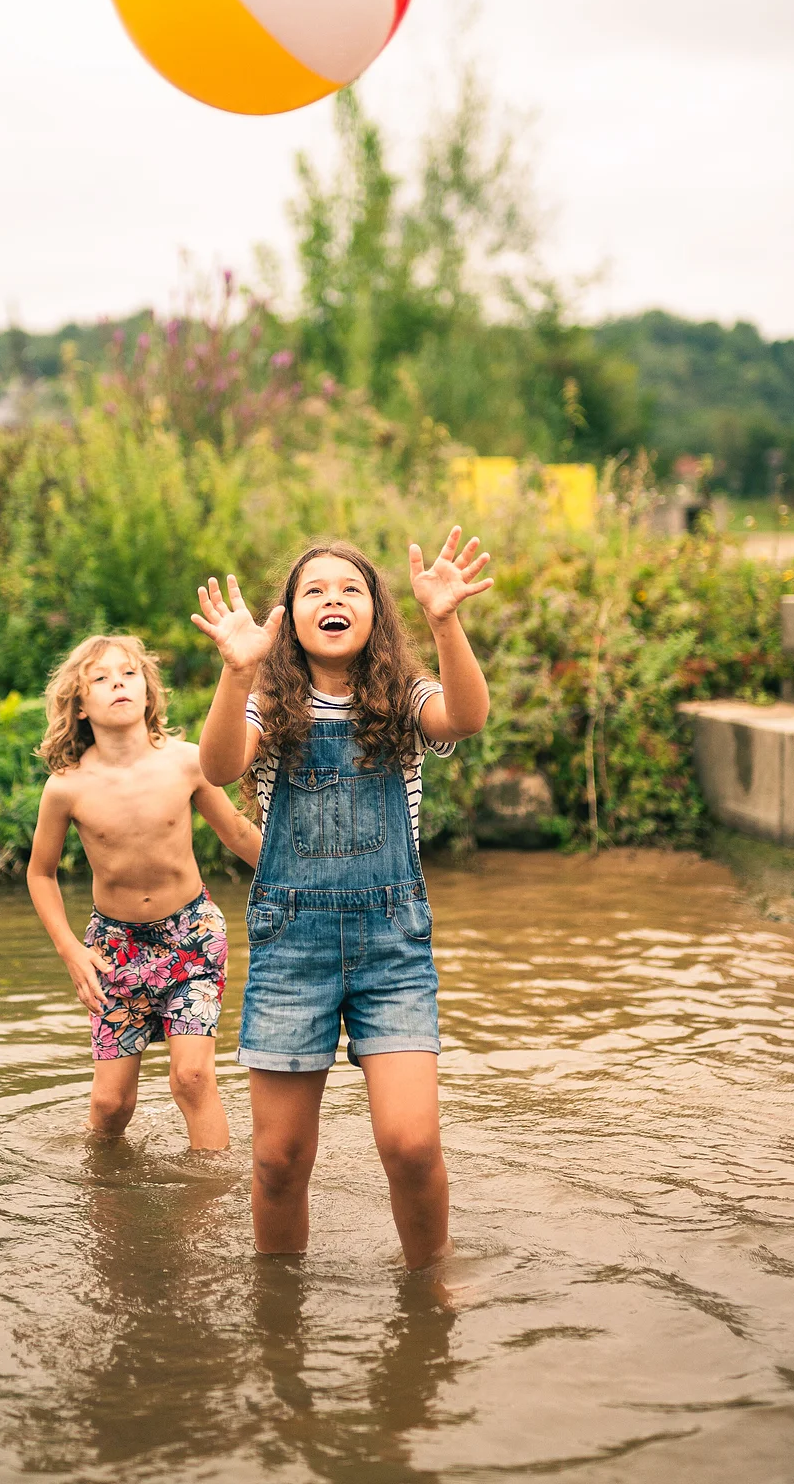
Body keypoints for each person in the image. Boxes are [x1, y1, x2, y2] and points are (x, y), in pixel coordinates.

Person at [193, 530, 492, 1267]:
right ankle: (280, 1302)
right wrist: (237, 675)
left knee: (413, 1145)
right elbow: (220, 763)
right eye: (314, 591)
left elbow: (466, 717)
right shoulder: (267, 703)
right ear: (288, 619)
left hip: (392, 948)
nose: (332, 599)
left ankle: (432, 1281)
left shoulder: (403, 699)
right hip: (292, 950)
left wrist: (447, 622)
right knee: (279, 1161)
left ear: (377, 613)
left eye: (350, 589)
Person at [26, 633, 261, 1151]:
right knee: (112, 1105)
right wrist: (71, 950)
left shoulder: (186, 762)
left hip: (192, 937)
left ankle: (209, 1202)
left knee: (192, 1079)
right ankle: (106, 1189)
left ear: (149, 693)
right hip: (113, 950)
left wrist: (301, 882)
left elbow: (239, 834)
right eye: (101, 678)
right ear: (80, 705)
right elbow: (40, 874)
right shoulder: (67, 786)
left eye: (129, 674)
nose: (118, 684)